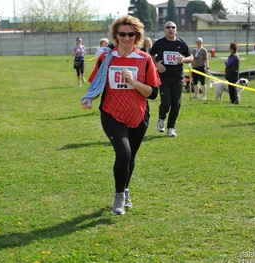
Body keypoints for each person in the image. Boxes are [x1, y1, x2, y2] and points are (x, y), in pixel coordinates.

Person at [80, 15, 161, 215]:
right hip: (112, 114)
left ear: (137, 36)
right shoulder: (106, 57)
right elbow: (97, 83)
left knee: (130, 156)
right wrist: (89, 97)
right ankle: (118, 197)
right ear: (116, 36)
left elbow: (153, 93)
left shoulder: (145, 59)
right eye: (122, 34)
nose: (126, 38)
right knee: (123, 153)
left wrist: (134, 82)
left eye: (130, 34)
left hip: (138, 115)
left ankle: (125, 191)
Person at [149, 21, 193, 137]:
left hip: (178, 77)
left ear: (176, 30)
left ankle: (171, 128)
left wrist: (183, 60)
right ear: (164, 30)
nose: (171, 29)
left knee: (176, 103)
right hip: (164, 77)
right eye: (168, 27)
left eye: (173, 27)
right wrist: (157, 64)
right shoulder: (159, 43)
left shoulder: (181, 43)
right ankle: (161, 118)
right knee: (166, 102)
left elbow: (191, 57)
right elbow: (150, 55)